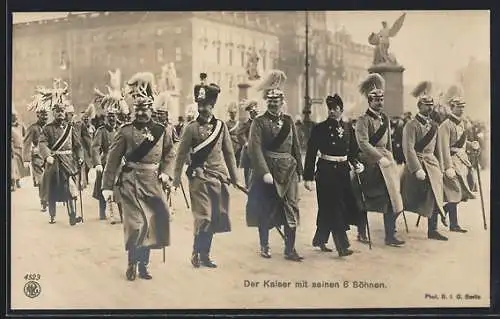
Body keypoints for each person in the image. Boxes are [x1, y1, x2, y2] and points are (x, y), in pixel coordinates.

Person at [101, 72, 175, 281]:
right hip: (131, 183)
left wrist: (167, 174)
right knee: (136, 225)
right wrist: (107, 185)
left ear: (151, 109)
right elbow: (113, 160)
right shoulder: (125, 132)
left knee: (152, 224)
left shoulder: (162, 130)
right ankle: (132, 262)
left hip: (152, 182)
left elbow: (170, 153)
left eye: (145, 109)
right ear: (134, 109)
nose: (142, 113)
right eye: (138, 109)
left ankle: (144, 265)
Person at [173, 77, 239, 269]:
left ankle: (205, 255)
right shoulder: (190, 128)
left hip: (218, 178)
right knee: (204, 217)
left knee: (214, 219)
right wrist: (176, 179)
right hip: (198, 178)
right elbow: (181, 155)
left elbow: (229, 153)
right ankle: (196, 251)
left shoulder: (221, 127)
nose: (202, 109)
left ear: (213, 106)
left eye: (206, 105)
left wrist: (234, 178)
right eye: (200, 105)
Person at [245, 70, 304, 261]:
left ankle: (290, 249)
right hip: (268, 170)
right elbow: (255, 149)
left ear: (282, 102)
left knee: (291, 207)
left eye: (277, 101)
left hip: (289, 171)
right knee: (266, 208)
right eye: (270, 101)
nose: (273, 104)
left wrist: (301, 172)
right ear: (266, 102)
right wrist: (264, 172)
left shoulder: (288, 121)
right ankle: (264, 245)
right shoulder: (259, 122)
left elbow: (296, 146)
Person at [303, 94, 365, 257]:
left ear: (341, 110)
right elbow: (310, 153)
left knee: (330, 208)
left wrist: (356, 163)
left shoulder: (347, 128)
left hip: (343, 171)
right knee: (335, 208)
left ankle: (319, 239)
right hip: (326, 172)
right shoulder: (320, 128)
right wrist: (308, 177)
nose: (332, 112)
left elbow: (352, 150)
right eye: (329, 109)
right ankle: (342, 246)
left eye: (335, 109)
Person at [354, 73, 405, 247]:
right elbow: (362, 143)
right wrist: (378, 157)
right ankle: (361, 231)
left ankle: (390, 235)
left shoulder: (385, 119)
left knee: (392, 199)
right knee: (364, 200)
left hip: (386, 164)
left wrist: (390, 158)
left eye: (381, 100)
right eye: (376, 100)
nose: (380, 103)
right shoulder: (362, 120)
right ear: (369, 101)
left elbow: (389, 143)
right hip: (369, 164)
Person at [401, 81, 448, 241]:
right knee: (404, 197)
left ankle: (432, 229)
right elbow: (408, 148)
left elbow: (438, 149)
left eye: (431, 105)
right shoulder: (411, 125)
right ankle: (390, 227)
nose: (430, 108)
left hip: (432, 164)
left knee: (434, 196)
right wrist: (416, 168)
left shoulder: (434, 125)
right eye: (426, 105)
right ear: (419, 106)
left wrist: (441, 167)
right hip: (417, 165)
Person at [436, 92, 478, 233]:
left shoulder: (461, 124)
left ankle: (443, 211)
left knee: (462, 191)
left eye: (462, 107)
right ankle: (453, 223)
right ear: (451, 107)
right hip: (452, 161)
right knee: (456, 191)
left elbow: (461, 144)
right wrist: (448, 167)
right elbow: (443, 147)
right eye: (458, 107)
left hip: (462, 160)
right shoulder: (445, 126)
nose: (461, 109)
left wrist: (471, 145)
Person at [39, 96, 84, 225]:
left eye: (62, 111)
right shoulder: (47, 128)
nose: (60, 113)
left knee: (70, 189)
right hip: (54, 163)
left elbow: (78, 145)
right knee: (52, 189)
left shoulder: (70, 128)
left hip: (68, 163)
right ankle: (52, 215)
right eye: (57, 111)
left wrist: (80, 157)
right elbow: (42, 143)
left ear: (65, 113)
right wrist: (47, 156)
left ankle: (72, 215)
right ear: (53, 113)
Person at [91, 94, 124, 222]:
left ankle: (121, 214)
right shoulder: (101, 131)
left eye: (114, 116)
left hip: (119, 163)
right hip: (105, 161)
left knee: (120, 188)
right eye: (110, 116)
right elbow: (95, 147)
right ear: (106, 118)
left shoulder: (121, 130)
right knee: (103, 188)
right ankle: (102, 212)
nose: (112, 119)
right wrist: (97, 163)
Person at [23, 103, 49, 211]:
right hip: (37, 157)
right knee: (41, 180)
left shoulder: (49, 128)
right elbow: (27, 143)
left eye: (46, 115)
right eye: (42, 115)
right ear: (38, 115)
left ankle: (48, 198)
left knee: (49, 179)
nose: (45, 118)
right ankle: (43, 201)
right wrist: (26, 159)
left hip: (49, 156)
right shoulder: (32, 128)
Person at [237, 100, 259, 188]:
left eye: (255, 112)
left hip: (258, 148)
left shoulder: (260, 123)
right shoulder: (246, 124)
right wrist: (245, 142)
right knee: (248, 166)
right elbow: (240, 134)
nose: (254, 114)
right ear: (250, 113)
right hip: (248, 148)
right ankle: (247, 184)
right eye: (252, 112)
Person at [11, 109, 27, 191]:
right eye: (13, 116)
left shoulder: (20, 125)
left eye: (15, 116)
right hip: (13, 147)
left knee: (20, 165)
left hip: (21, 147)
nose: (15, 118)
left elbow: (25, 133)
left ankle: (18, 180)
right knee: (14, 165)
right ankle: (14, 182)